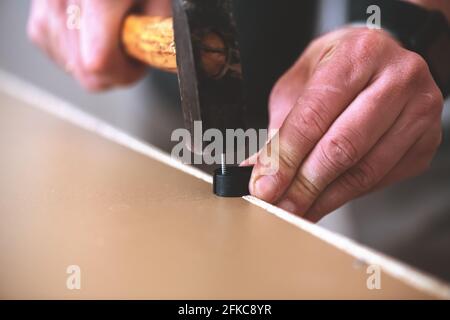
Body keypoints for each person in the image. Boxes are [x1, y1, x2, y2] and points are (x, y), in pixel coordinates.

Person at [28, 0, 450, 279]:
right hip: (173, 112)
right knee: (164, 267)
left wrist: (400, 24)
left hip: (392, 107)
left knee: (406, 263)